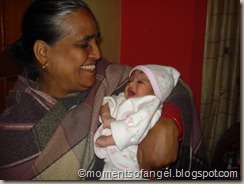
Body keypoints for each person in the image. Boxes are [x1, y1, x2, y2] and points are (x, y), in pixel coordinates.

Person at [0, 0, 209, 180]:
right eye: (84, 44)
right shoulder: (16, 133)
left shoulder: (108, 75)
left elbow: (172, 82)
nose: (98, 53)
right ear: (43, 52)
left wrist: (170, 122)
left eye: (96, 40)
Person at [94, 65, 180, 180]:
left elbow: (136, 127)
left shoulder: (150, 104)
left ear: (156, 91)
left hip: (130, 165)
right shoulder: (122, 99)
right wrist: (106, 116)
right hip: (110, 162)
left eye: (140, 81)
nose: (131, 84)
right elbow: (105, 102)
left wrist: (108, 140)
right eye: (129, 81)